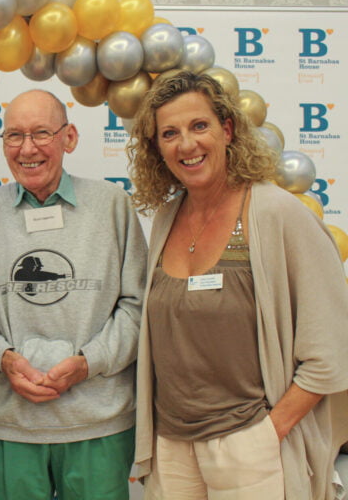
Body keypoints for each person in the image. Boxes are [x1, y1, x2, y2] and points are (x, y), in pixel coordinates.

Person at [126, 70, 348, 499]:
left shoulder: (276, 214)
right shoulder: (166, 221)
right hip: (172, 448)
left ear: (227, 130)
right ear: (156, 147)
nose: (186, 144)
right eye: (169, 133)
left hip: (250, 444)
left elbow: (332, 349)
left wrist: (268, 433)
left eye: (199, 126)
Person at [0, 89, 147, 500]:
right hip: (9, 423)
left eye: (41, 133)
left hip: (99, 422)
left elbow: (136, 305)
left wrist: (87, 363)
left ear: (69, 137)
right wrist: (3, 359)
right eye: (14, 136)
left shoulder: (113, 205)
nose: (27, 149)